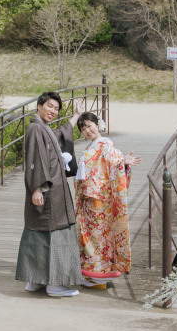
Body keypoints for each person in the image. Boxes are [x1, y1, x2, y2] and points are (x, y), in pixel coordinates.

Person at [16, 91, 84, 297]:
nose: (53, 111)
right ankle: (54, 284)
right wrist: (37, 188)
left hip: (49, 190)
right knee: (55, 233)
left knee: (38, 232)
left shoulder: (42, 128)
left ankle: (35, 279)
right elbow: (35, 160)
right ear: (39, 106)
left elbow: (60, 134)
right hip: (48, 191)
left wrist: (76, 115)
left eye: (56, 109)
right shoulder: (36, 129)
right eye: (50, 106)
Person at [74, 111, 141, 290]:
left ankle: (99, 277)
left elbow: (114, 161)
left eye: (89, 125)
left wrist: (123, 163)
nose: (87, 130)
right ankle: (92, 274)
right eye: (83, 128)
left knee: (98, 239)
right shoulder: (91, 147)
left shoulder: (105, 144)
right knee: (90, 238)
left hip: (98, 201)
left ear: (98, 125)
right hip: (88, 201)